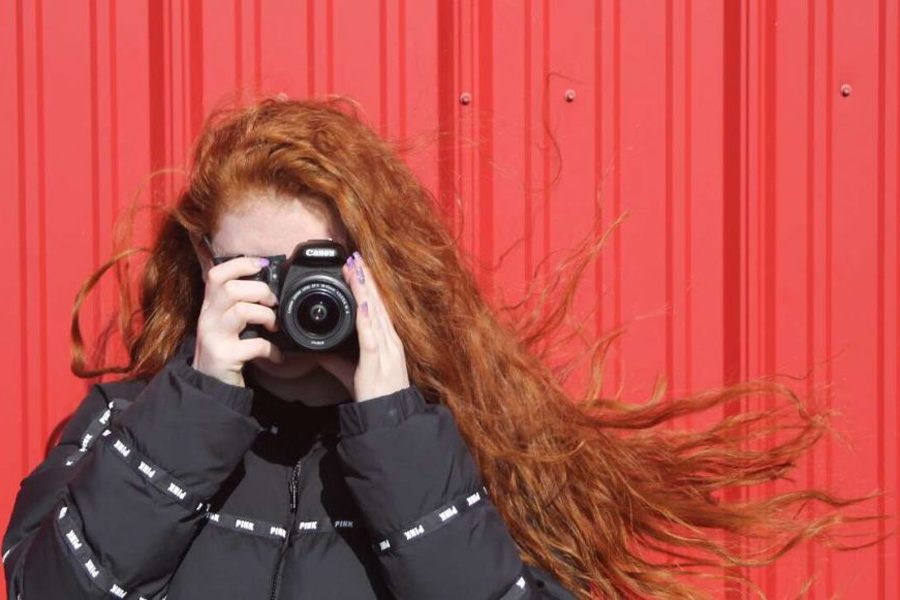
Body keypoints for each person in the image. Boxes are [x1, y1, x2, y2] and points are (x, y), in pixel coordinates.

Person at [1, 95, 882, 600]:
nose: (305, 304)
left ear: (375, 266)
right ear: (206, 261)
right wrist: (195, 406)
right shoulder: (132, 427)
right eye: (261, 271)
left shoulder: (462, 438)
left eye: (326, 271)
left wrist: (394, 430)